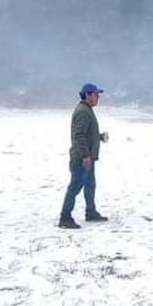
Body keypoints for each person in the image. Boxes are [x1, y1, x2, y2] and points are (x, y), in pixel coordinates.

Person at [58, 83, 110, 229]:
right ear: (87, 95)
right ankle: (65, 217)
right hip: (81, 158)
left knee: (89, 185)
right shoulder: (83, 111)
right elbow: (78, 135)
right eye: (95, 94)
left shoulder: (87, 110)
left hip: (87, 157)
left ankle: (91, 212)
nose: (98, 97)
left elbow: (86, 134)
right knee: (75, 186)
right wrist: (85, 156)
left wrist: (98, 137)